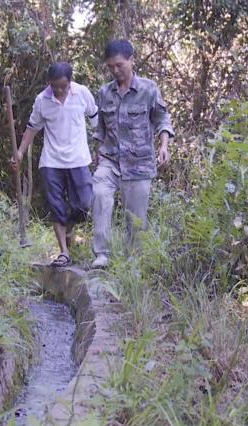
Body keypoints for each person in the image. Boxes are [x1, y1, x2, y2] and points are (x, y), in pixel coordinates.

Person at [90, 39, 175, 269]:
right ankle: (102, 254)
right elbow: (101, 130)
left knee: (135, 218)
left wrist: (164, 146)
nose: (115, 70)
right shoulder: (104, 92)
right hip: (110, 161)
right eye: (111, 67)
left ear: (131, 60)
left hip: (139, 164)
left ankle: (133, 263)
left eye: (119, 65)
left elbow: (162, 119)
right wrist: (98, 155)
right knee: (99, 194)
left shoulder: (149, 89)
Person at [11, 62, 98, 267]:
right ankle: (64, 252)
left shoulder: (82, 93)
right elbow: (32, 128)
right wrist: (20, 152)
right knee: (56, 206)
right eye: (54, 86)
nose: (58, 90)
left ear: (70, 82)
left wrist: (100, 148)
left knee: (85, 203)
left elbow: (96, 120)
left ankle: (69, 228)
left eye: (62, 86)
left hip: (78, 159)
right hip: (51, 162)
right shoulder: (42, 100)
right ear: (49, 82)